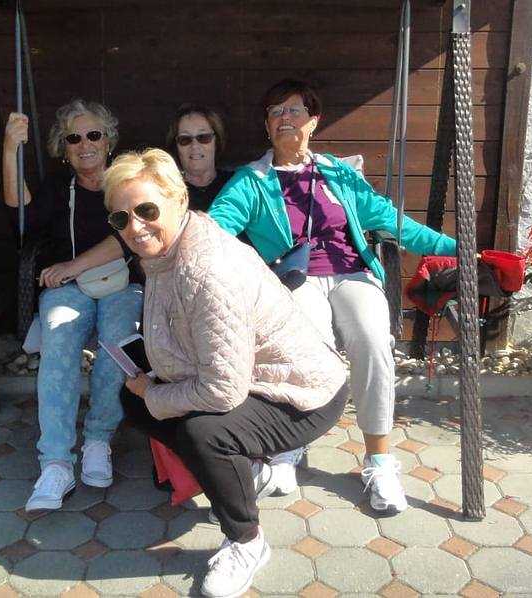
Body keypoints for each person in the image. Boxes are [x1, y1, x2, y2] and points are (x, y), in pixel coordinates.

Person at [103, 149, 348, 598]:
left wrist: (156, 393)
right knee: (133, 400)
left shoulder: (206, 268)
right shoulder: (166, 250)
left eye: (146, 211)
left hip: (303, 393)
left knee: (203, 433)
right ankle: (244, 473)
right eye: (121, 218)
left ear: (179, 200)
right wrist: (150, 385)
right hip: (250, 376)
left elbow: (221, 390)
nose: (135, 227)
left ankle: (246, 541)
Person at [208, 79, 457, 515]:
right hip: (295, 279)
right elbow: (217, 228)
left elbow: (393, 221)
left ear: (313, 121)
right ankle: (287, 447)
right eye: (275, 112)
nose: (285, 118)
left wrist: (458, 249)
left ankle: (379, 460)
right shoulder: (253, 181)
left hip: (352, 273)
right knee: (306, 347)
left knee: (373, 340)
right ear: (266, 126)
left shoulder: (339, 175)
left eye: (294, 110)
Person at [2, 99, 143, 511]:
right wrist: (10, 148)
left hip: (120, 282)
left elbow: (128, 237)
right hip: (68, 289)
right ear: (64, 148)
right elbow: (21, 214)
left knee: (117, 342)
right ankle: (56, 462)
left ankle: (98, 439)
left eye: (93, 135)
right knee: (59, 344)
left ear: (109, 140)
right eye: (74, 138)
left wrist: (72, 266)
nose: (85, 144)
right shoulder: (57, 188)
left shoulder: (126, 183)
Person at [165, 103, 233, 211]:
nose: (194, 146)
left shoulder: (235, 184)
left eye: (203, 137)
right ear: (176, 146)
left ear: (217, 142)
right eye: (185, 139)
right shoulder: (167, 191)